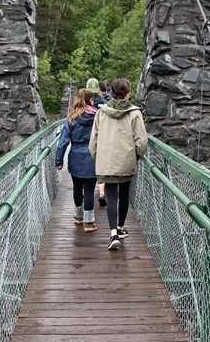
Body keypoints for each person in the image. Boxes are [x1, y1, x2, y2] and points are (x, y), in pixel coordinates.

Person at [89, 78, 148, 250]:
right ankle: (121, 228)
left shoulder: (101, 113)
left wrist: (97, 157)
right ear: (128, 93)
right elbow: (142, 141)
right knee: (124, 194)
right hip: (126, 159)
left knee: (112, 196)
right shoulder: (135, 113)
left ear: (111, 93)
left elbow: (93, 139)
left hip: (106, 161)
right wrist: (138, 155)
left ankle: (113, 233)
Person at [55, 88, 98, 232]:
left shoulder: (71, 118)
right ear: (90, 100)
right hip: (92, 156)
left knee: (77, 187)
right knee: (90, 190)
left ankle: (78, 217)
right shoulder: (97, 117)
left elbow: (62, 142)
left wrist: (58, 160)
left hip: (75, 156)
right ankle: (89, 223)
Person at [86, 77, 108, 206]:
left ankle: (86, 191)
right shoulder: (104, 103)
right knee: (102, 167)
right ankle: (101, 192)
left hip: (86, 140)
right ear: (99, 89)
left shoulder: (84, 102)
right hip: (102, 138)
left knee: (90, 165)